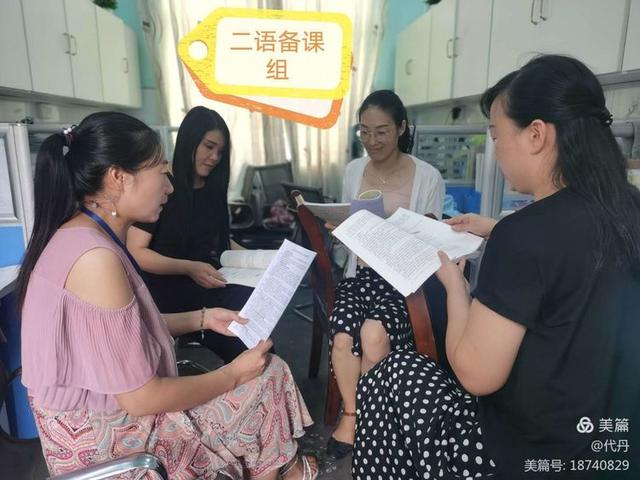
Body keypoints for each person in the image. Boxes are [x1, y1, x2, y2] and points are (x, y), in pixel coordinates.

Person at [352, 55, 640, 479]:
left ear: (536, 134)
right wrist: (498, 228)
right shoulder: (628, 207)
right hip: (615, 450)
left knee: (394, 373)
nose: (496, 150)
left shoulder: (525, 234)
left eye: (496, 135)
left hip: (529, 456)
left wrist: (455, 287)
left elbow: (475, 374)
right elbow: (572, 252)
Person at [18, 112, 318, 480]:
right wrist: (232, 375)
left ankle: (281, 469)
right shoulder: (95, 259)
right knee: (267, 376)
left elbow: (121, 335)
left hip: (100, 419)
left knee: (266, 373)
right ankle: (286, 469)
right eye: (161, 172)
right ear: (118, 178)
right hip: (108, 439)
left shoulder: (78, 235)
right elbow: (142, 398)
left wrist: (202, 318)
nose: (170, 187)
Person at [327, 90, 445, 459]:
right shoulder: (353, 171)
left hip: (403, 282)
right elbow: (347, 236)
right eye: (364, 131)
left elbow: (431, 238)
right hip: (360, 275)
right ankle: (352, 416)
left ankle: (373, 419)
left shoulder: (427, 176)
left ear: (401, 128)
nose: (372, 140)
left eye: (381, 131)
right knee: (343, 336)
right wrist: (341, 230)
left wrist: (398, 230)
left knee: (373, 334)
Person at [128, 106, 250, 363]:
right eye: (209, 147)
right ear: (189, 140)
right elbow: (136, 251)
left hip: (204, 281)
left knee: (255, 314)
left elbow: (217, 238)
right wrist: (188, 267)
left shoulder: (212, 187)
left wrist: (259, 259)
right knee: (245, 336)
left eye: (221, 151)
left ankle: (255, 372)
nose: (214, 157)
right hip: (165, 290)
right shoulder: (163, 185)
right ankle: (246, 374)